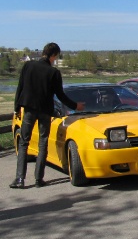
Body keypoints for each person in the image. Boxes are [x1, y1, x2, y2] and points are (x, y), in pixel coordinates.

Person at [10, 43, 84, 189]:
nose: (55, 60)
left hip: (29, 109)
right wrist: (76, 106)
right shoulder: (53, 72)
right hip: (45, 111)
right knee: (43, 143)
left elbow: (20, 87)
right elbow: (61, 96)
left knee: (24, 143)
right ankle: (39, 179)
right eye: (56, 57)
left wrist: (16, 108)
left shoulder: (28, 66)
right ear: (53, 55)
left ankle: (19, 179)